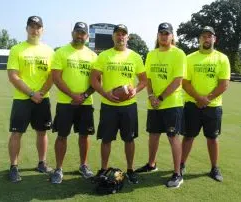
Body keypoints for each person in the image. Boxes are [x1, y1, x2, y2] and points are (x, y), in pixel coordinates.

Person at [90, 24, 147, 184]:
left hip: (128, 106)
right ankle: (103, 169)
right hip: (109, 106)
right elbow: (93, 79)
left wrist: (135, 90)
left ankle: (130, 170)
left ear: (127, 37)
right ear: (113, 37)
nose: (120, 37)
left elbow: (143, 80)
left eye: (123, 34)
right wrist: (105, 94)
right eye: (118, 34)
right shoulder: (104, 56)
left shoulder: (135, 56)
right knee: (106, 139)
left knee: (129, 139)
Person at [135, 23, 186, 188]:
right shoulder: (151, 54)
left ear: (172, 36)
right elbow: (148, 79)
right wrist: (151, 96)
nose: (164, 36)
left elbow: (178, 80)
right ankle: (151, 164)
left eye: (167, 33)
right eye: (161, 33)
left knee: (173, 137)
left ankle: (177, 173)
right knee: (153, 135)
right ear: (157, 35)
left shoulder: (178, 53)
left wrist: (161, 97)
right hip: (154, 103)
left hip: (171, 104)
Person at [7, 16, 54, 182]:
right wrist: (31, 93)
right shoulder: (17, 49)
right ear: (26, 28)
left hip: (42, 98)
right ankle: (13, 167)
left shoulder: (49, 51)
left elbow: (52, 76)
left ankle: (42, 163)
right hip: (22, 99)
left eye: (38, 27)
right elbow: (13, 76)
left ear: (43, 30)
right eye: (32, 26)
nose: (35, 30)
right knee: (16, 133)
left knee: (42, 132)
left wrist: (40, 93)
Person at [180, 26, 230, 182]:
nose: (206, 39)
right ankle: (180, 165)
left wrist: (206, 99)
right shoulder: (189, 58)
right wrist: (199, 98)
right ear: (199, 39)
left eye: (209, 36)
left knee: (212, 138)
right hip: (192, 105)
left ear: (214, 39)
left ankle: (214, 168)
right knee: (188, 137)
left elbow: (224, 84)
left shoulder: (222, 58)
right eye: (203, 36)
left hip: (213, 106)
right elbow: (185, 83)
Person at [50, 22, 97, 184]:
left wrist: (83, 95)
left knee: (84, 136)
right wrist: (72, 95)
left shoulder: (92, 56)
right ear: (72, 33)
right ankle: (58, 169)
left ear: (87, 36)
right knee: (62, 136)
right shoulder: (61, 52)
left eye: (83, 33)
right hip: (65, 103)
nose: (80, 35)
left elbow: (97, 80)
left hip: (85, 103)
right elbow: (56, 77)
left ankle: (83, 166)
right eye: (77, 32)